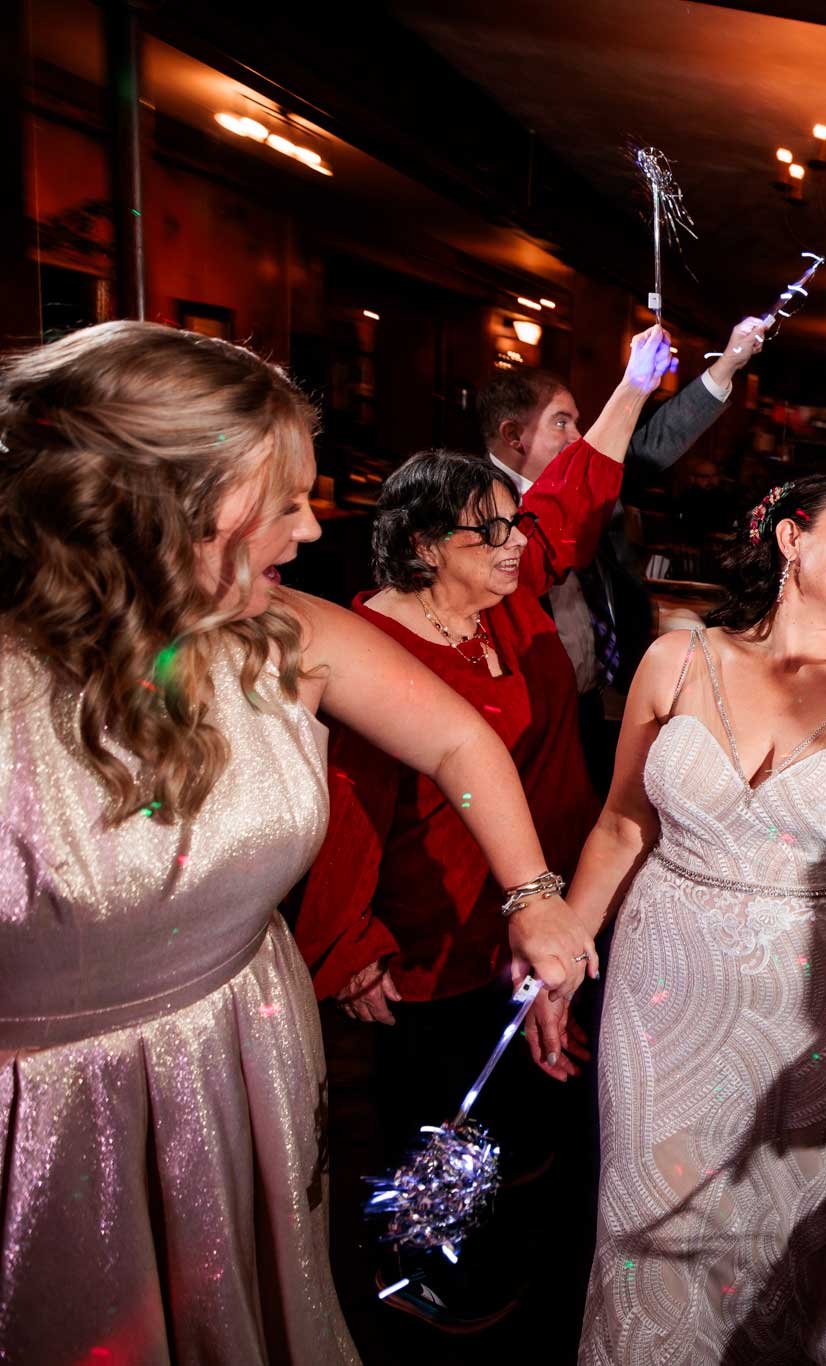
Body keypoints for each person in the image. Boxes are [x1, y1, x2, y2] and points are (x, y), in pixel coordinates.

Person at [0, 322, 589, 1363]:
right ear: (155, 505)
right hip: (38, 1125)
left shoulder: (283, 629)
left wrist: (532, 892)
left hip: (242, 1058)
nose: (310, 529)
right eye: (280, 502)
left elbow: (458, 737)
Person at [292, 324, 676, 1327]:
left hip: (538, 899)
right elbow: (342, 809)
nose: (518, 545)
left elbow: (570, 495)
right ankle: (426, 1292)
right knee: (440, 1125)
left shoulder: (503, 602)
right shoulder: (369, 648)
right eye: (490, 533)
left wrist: (632, 383)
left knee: (518, 1108)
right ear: (424, 548)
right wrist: (350, 942)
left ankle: (499, 1246)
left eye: (513, 526)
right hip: (435, 928)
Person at [550, 474, 826, 1363]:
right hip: (660, 987)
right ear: (790, 539)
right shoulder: (678, 659)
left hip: (805, 996)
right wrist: (564, 953)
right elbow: (622, 824)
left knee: (776, 1223)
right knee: (643, 1211)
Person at [479, 316, 766, 784]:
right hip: (519, 705)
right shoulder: (472, 505)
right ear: (514, 436)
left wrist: (729, 362)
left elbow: (650, 445)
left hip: (592, 699)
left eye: (578, 422)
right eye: (561, 423)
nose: (578, 437)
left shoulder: (591, 479)